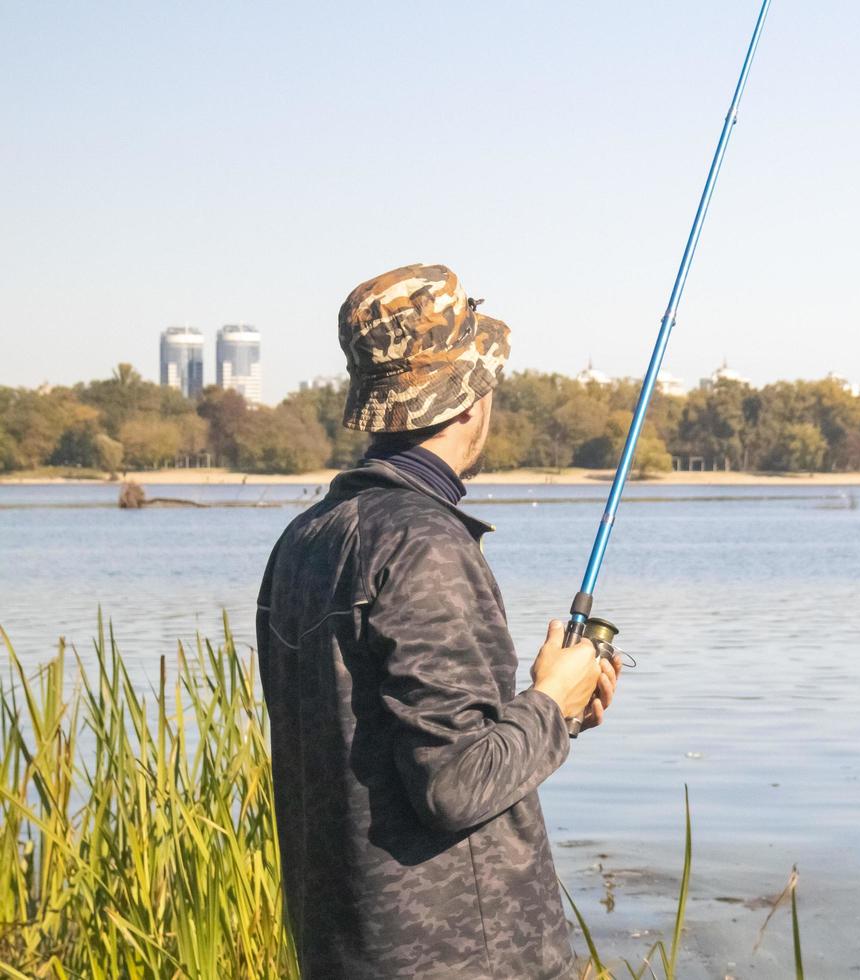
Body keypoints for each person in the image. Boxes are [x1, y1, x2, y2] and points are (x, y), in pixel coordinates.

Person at [256, 263, 619, 979]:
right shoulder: (423, 545)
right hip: (458, 960)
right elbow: (455, 785)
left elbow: (395, 746)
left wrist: (562, 709)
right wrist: (548, 703)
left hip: (350, 953)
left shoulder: (306, 539)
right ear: (468, 400)